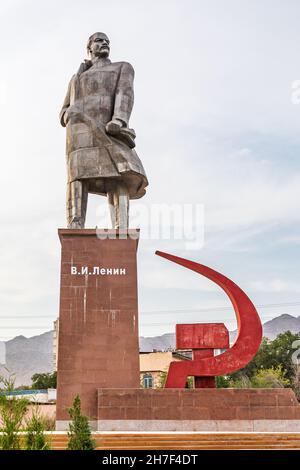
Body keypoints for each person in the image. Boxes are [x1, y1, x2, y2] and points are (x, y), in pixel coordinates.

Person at [59, 32, 148, 229]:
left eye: (107, 41)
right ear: (89, 48)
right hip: (78, 133)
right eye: (99, 40)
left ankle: (121, 225)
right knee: (78, 177)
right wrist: (69, 114)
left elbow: (125, 93)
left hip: (108, 129)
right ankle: (75, 223)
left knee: (118, 174)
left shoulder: (121, 67)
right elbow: (62, 111)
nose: (105, 43)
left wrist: (119, 119)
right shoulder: (77, 77)